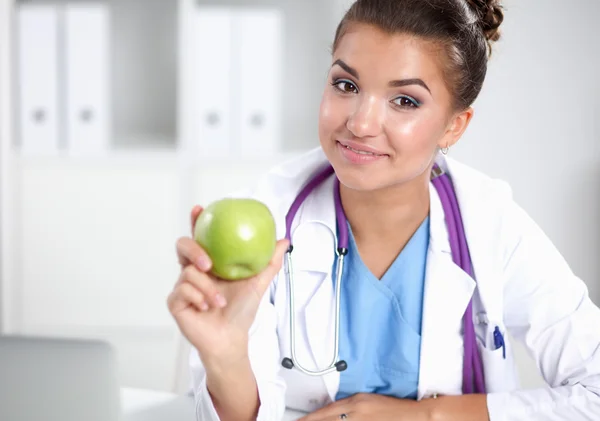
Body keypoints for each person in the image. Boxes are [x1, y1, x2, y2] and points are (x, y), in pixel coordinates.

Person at [167, 0, 600, 420]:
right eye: (346, 85)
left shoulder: (491, 226)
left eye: (405, 101)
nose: (360, 123)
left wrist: (427, 415)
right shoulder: (270, 220)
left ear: (454, 125)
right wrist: (225, 357)